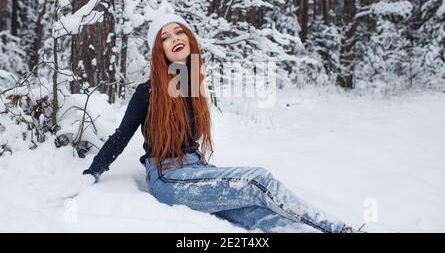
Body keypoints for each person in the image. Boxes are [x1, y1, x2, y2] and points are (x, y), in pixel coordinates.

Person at [82, 13, 361, 233]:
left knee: (255, 213)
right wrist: (91, 173)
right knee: (257, 181)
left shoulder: (191, 84)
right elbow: (121, 136)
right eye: (165, 37)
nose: (174, 38)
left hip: (195, 169)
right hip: (168, 178)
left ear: (190, 38)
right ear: (159, 50)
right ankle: (337, 229)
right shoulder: (149, 91)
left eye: (179, 31)